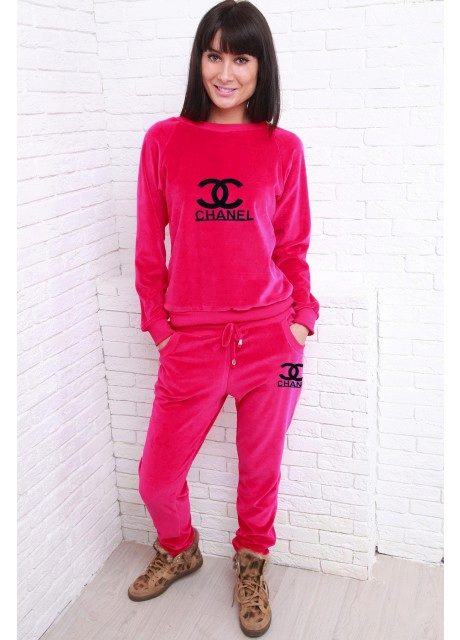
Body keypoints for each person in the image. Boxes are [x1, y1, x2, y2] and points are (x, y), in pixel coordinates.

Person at [127, 1, 320, 636]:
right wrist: (160, 327)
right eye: (214, 56)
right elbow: (149, 249)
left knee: (262, 468)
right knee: (156, 479)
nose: (226, 73)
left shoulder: (283, 148)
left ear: (261, 67)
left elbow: (292, 248)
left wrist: (301, 321)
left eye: (241, 58)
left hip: (275, 344)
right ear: (199, 61)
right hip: (192, 342)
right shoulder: (164, 141)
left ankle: (251, 562)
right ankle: (178, 547)